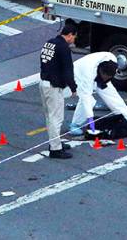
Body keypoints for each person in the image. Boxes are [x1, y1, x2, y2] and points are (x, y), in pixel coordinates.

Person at [68, 52, 127, 137]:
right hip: (79, 75)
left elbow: (107, 81)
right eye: (105, 77)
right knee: (89, 101)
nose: (106, 79)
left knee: (112, 94)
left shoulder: (113, 62)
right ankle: (75, 125)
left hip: (97, 73)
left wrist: (105, 80)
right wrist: (91, 119)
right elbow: (86, 97)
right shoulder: (88, 73)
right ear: (101, 72)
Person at [39, 19, 79, 160]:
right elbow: (68, 70)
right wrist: (73, 88)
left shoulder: (49, 43)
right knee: (56, 118)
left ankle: (54, 143)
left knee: (50, 117)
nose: (73, 40)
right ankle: (55, 149)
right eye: (74, 37)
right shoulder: (64, 48)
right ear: (69, 35)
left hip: (44, 83)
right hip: (53, 87)